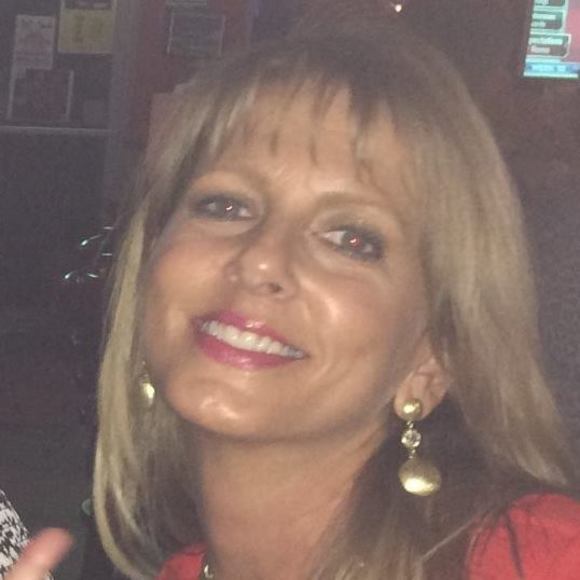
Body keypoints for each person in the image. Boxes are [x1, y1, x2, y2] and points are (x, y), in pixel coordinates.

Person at [7, 15, 580, 580]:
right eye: (226, 205)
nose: (260, 257)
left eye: (351, 239)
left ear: (431, 360)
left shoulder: (542, 560)